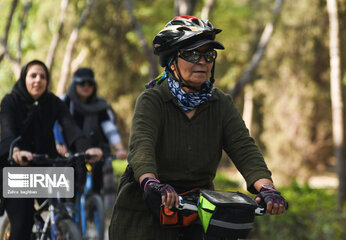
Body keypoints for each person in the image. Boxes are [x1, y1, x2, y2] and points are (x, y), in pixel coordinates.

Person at [109, 16, 288, 240]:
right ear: (172, 61)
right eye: (192, 54)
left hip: (197, 207)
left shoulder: (220, 103)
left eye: (209, 55)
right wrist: (151, 183)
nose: (202, 61)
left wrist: (267, 188)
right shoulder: (152, 100)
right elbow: (141, 147)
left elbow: (243, 147)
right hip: (148, 207)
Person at [0, 60, 103, 240]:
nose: (38, 80)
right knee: (23, 223)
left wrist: (86, 150)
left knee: (62, 211)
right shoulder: (10, 101)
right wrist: (15, 150)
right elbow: (7, 130)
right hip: (16, 169)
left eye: (43, 76)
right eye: (33, 75)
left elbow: (71, 128)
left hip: (45, 165)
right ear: (25, 78)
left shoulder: (53, 102)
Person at [53, 67, 127, 211]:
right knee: (68, 185)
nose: (86, 87)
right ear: (75, 84)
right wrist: (58, 143)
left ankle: (94, 210)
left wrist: (119, 148)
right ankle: (66, 216)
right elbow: (55, 124)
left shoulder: (100, 106)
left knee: (98, 180)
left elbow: (109, 128)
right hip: (69, 151)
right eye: (82, 83)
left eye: (90, 84)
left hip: (95, 151)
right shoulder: (65, 102)